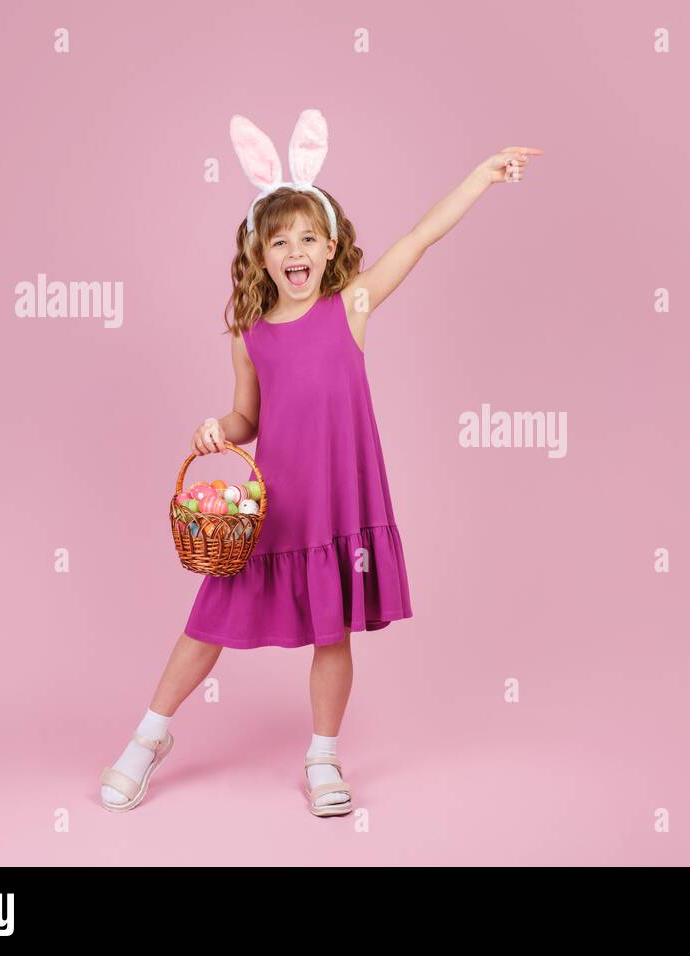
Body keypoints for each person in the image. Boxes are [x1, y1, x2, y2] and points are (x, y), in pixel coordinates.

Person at [99, 109, 543, 816]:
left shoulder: (353, 304)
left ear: (331, 244)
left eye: (309, 237)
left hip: (339, 506)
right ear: (260, 254)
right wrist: (219, 430)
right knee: (204, 626)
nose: (296, 250)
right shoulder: (249, 335)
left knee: (332, 633)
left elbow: (420, 237)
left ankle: (323, 757)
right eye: (281, 241)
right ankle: (148, 738)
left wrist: (481, 177)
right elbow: (248, 417)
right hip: (276, 509)